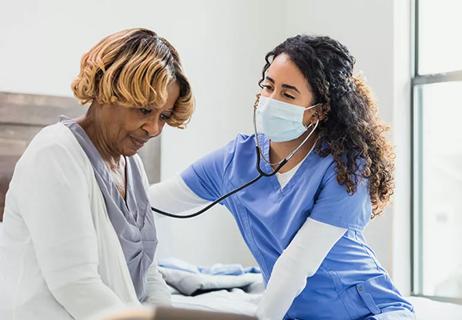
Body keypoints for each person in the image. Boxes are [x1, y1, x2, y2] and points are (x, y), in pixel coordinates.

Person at [149, 35, 415, 319]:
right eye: (268, 86)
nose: (271, 100)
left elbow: (296, 265)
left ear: (318, 112)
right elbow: (148, 202)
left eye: (288, 94)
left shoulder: (345, 167)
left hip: (366, 311)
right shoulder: (234, 161)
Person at [0, 28, 194, 319]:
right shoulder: (55, 153)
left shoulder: (132, 165)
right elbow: (74, 283)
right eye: (144, 110)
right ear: (107, 92)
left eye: (163, 116)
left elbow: (149, 273)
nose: (154, 129)